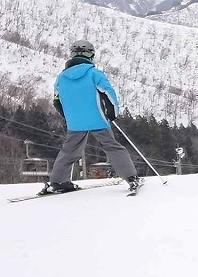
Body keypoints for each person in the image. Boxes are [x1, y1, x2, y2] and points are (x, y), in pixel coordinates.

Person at [40, 40, 140, 195]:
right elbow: (109, 94)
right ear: (91, 55)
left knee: (69, 151)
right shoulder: (95, 73)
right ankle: (131, 177)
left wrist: (68, 117)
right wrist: (112, 113)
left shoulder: (61, 78)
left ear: (72, 55)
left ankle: (58, 182)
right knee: (112, 147)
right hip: (97, 118)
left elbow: (56, 101)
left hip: (75, 123)